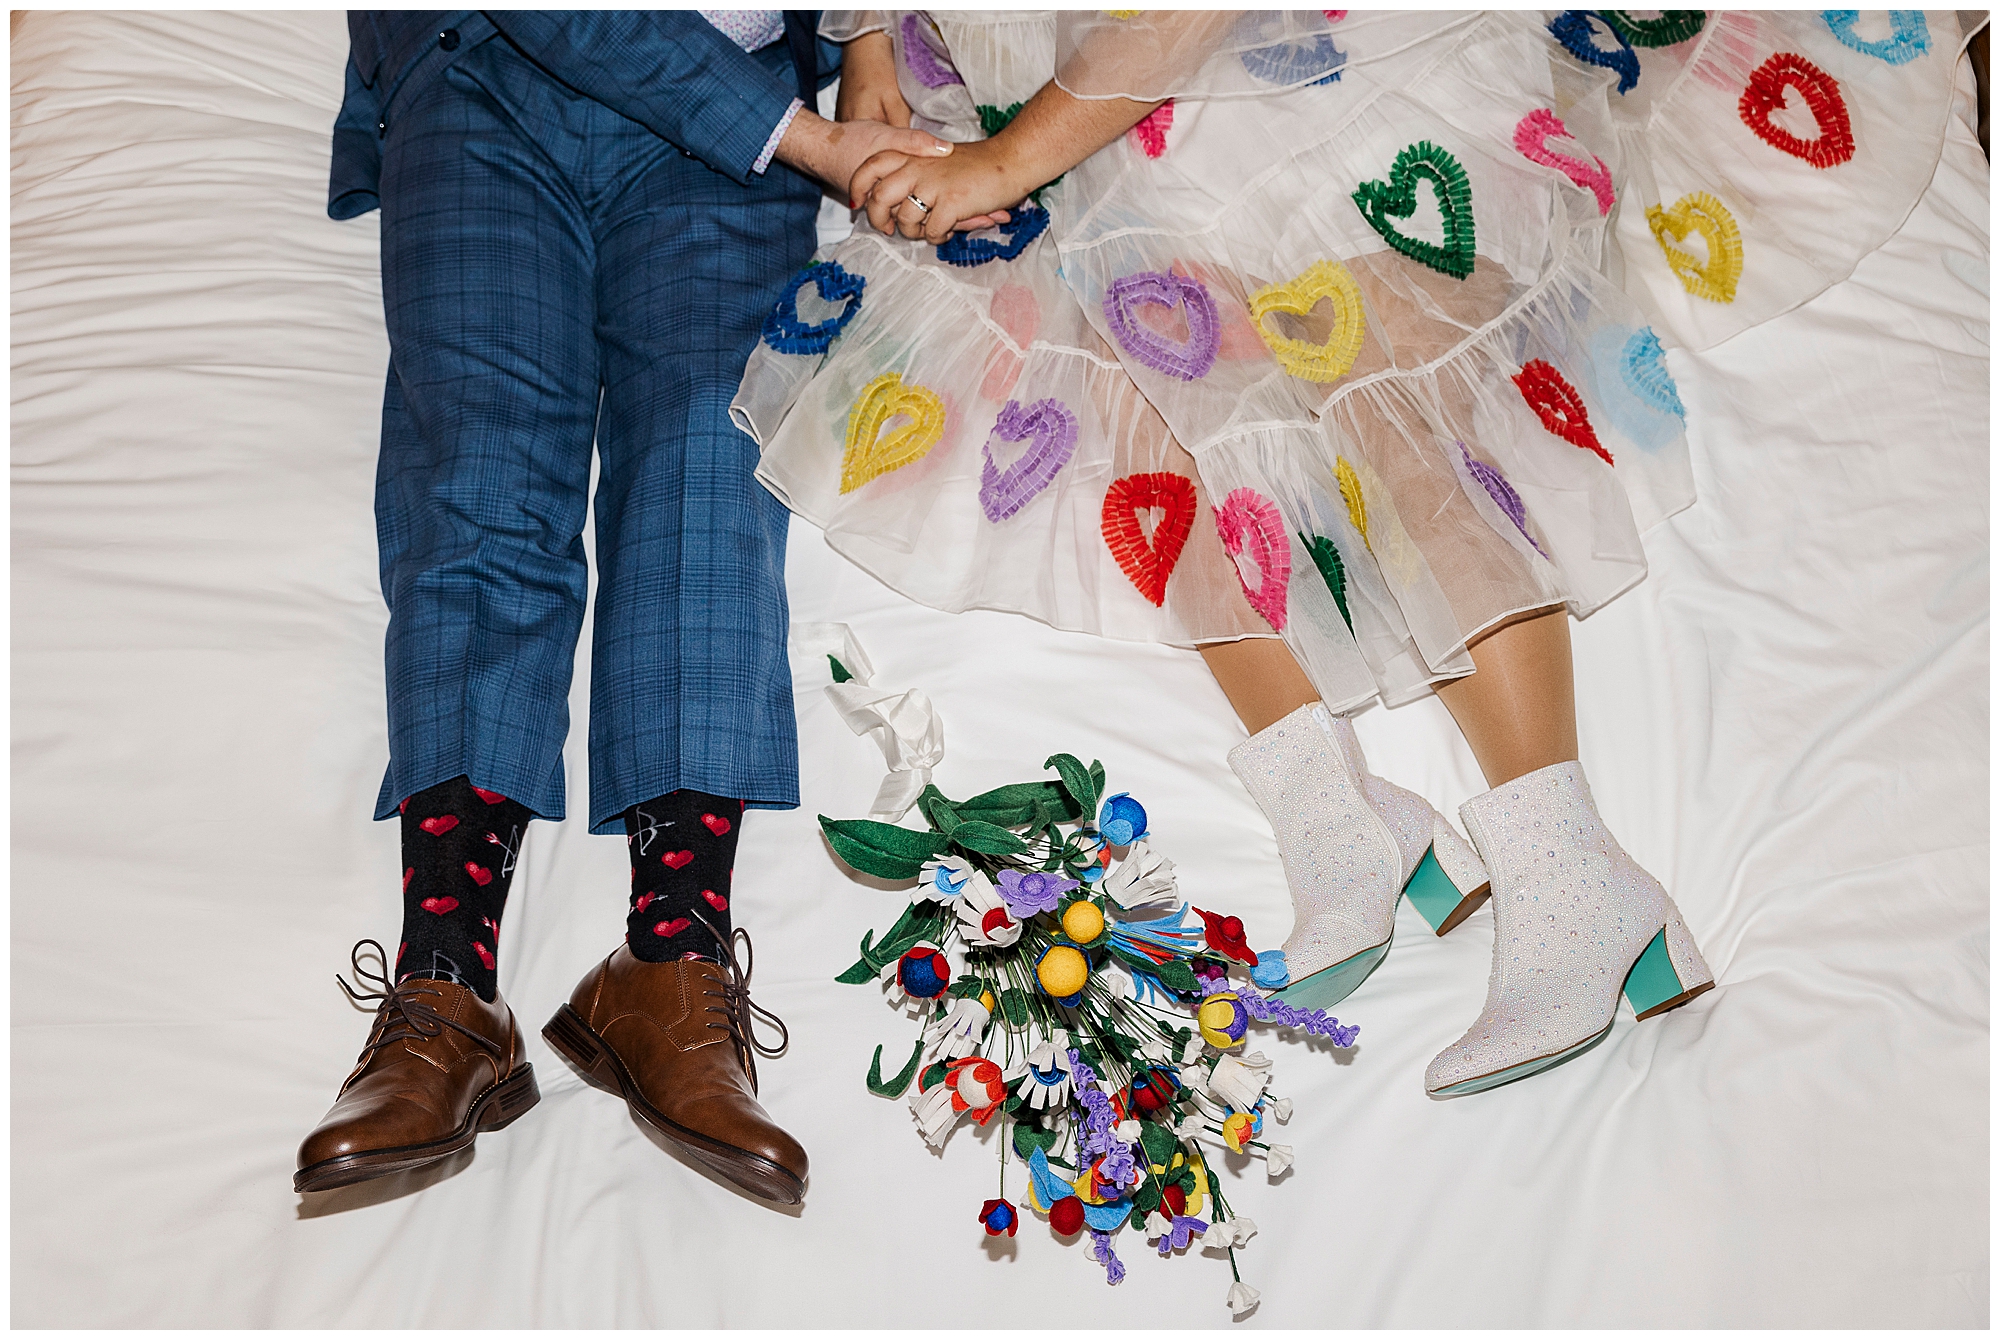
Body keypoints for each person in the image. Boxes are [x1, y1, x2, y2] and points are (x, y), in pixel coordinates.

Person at [733, 10, 1723, 1098]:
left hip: (1256, 47)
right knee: (1134, 376)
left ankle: (1566, 858)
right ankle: (1334, 812)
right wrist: (870, 36)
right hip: (1026, 65)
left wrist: (1009, 159)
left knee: (1384, 342)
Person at [294, 10, 962, 1202]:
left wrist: (865, 41)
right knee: (480, 475)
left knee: (713, 463)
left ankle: (667, 965)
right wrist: (812, 139)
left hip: (745, 109)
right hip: (481, 71)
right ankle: (444, 986)